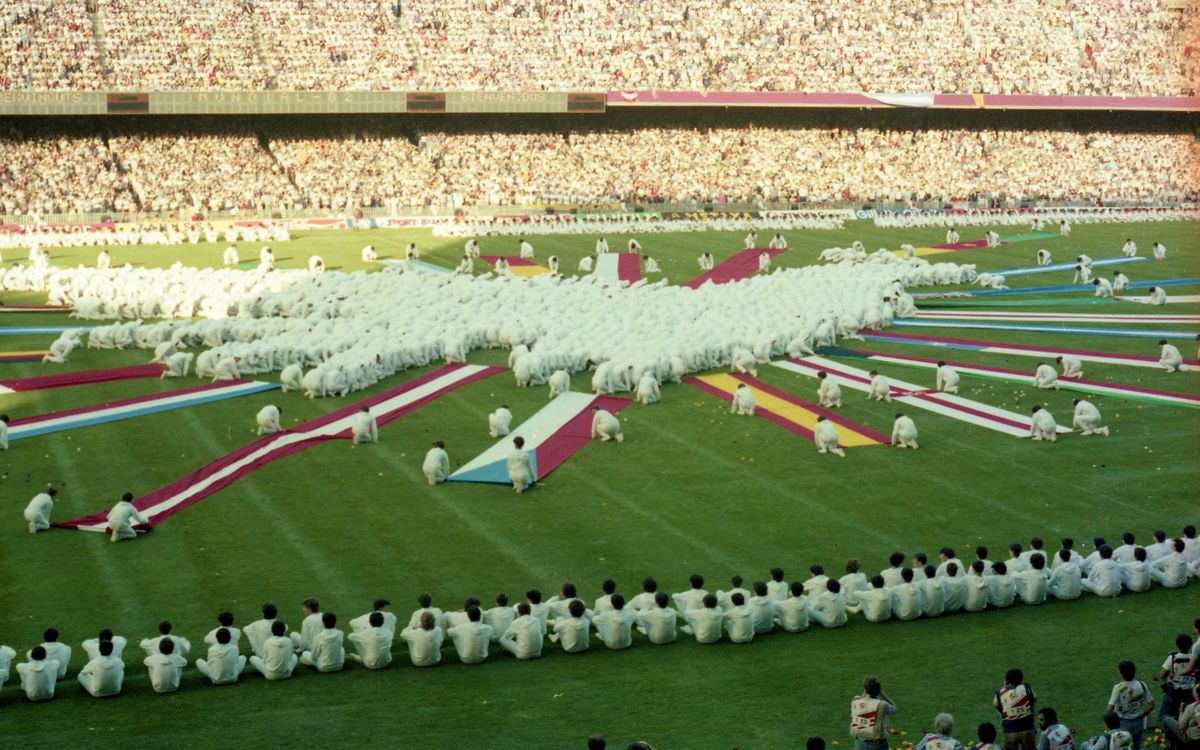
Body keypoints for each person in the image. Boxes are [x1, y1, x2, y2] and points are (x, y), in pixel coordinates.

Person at [1107, 662, 1153, 750]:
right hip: (1138, 723)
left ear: (1121, 674)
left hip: (1122, 723)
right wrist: (1141, 715)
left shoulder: (1118, 688)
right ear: (1134, 672)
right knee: (1136, 747)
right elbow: (1151, 705)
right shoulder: (1142, 684)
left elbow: (1109, 709)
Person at [1154, 634, 1196, 721]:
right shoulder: (1194, 658)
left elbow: (1162, 675)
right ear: (1190, 645)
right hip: (1190, 693)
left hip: (1174, 692)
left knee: (1164, 715)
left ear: (1177, 644)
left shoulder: (1172, 658)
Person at [995, 668, 1038, 750]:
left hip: (1010, 731)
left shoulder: (1001, 692)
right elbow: (1035, 697)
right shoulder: (1026, 687)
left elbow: (995, 704)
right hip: (1027, 729)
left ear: (1007, 680)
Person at [851, 676, 897, 750]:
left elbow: (862, 699)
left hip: (860, 742)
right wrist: (882, 694)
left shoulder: (855, 700)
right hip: (877, 745)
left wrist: (866, 690)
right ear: (878, 691)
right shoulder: (883, 705)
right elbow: (894, 708)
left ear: (865, 690)